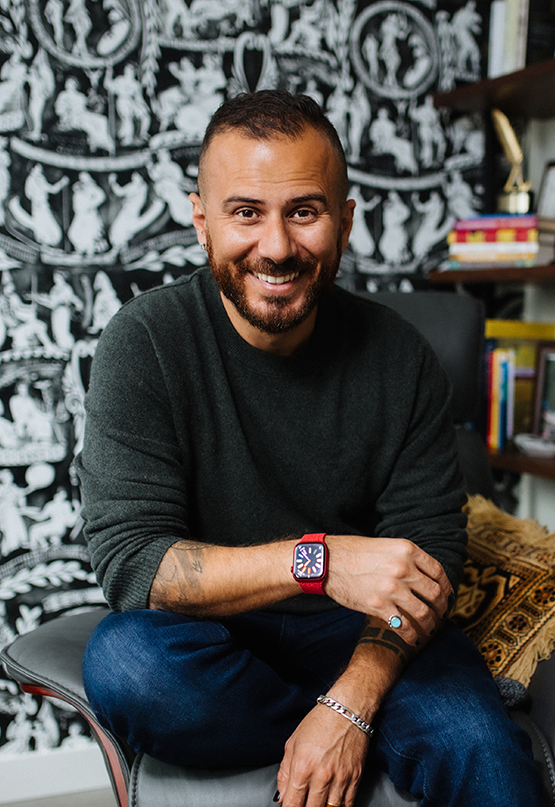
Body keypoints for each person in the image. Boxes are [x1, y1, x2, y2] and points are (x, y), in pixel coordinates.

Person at [76, 90, 544, 807]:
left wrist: (351, 700)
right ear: (201, 220)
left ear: (345, 220)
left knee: (481, 748)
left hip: (372, 639)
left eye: (303, 211)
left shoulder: (400, 356)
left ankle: (360, 724)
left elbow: (429, 561)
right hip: (216, 640)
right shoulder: (145, 343)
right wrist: (319, 560)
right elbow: (135, 565)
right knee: (127, 664)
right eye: (245, 212)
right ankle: (348, 733)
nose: (275, 246)